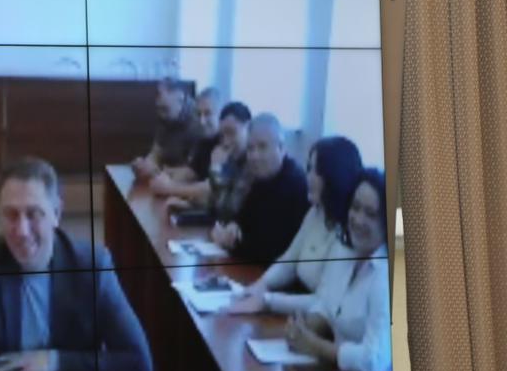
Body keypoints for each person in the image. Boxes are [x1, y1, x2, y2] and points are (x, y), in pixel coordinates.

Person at [0, 157, 152, 371]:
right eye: (11, 214)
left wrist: (54, 361)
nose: (22, 231)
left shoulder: (92, 267)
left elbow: (139, 366)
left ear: (56, 213)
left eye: (34, 214)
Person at [231, 136, 362, 314]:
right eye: (308, 168)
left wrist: (267, 300)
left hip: (321, 322)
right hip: (297, 308)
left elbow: (324, 303)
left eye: (315, 171)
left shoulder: (350, 229)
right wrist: (260, 286)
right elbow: (288, 263)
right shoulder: (316, 212)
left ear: (335, 176)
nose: (308, 177)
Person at [286, 169, 391, 371]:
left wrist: (316, 346)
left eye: (370, 214)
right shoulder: (346, 253)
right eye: (355, 207)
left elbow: (373, 361)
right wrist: (304, 326)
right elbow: (328, 305)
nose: (358, 219)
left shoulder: (385, 276)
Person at [211, 112, 309, 264]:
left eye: (262, 147)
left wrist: (228, 243)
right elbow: (244, 218)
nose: (254, 156)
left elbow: (271, 250)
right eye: (250, 149)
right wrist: (233, 226)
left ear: (281, 147)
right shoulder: (262, 176)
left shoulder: (294, 184)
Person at [150, 86, 222, 202]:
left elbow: (212, 188)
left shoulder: (226, 143)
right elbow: (191, 172)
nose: (202, 121)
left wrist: (169, 188)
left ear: (221, 114)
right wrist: (163, 176)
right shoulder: (204, 139)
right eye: (198, 114)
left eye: (208, 113)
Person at [133, 77, 200, 180]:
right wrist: (145, 164)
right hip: (165, 178)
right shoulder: (165, 118)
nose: (157, 102)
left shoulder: (199, 123)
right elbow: (156, 153)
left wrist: (158, 170)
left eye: (159, 95)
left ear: (179, 96)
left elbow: (192, 171)